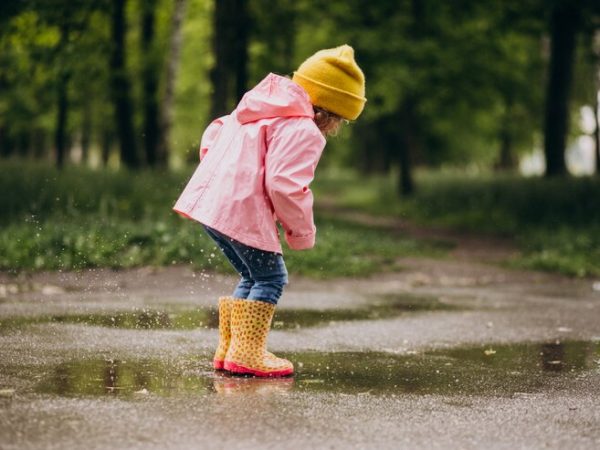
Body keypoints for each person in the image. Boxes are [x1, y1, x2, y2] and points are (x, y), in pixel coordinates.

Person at [173, 44, 366, 377]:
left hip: (213, 207)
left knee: (252, 275)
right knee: (271, 277)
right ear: (330, 111)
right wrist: (300, 231)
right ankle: (246, 355)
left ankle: (230, 350)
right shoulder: (302, 129)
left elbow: (213, 136)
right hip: (241, 212)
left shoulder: (257, 109)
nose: (336, 128)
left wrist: (226, 182)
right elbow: (285, 184)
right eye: (340, 120)